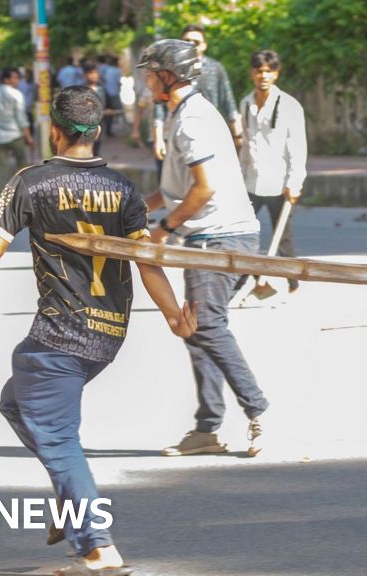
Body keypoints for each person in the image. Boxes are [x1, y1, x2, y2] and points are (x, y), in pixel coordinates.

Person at [0, 86, 197, 576]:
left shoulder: (31, 182)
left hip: (59, 336)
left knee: (57, 439)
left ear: (53, 128)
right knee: (15, 403)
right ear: (98, 130)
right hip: (108, 334)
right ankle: (69, 498)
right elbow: (147, 261)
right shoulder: (123, 189)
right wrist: (169, 315)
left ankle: (95, 545)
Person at [137, 39, 269, 457]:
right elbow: (174, 187)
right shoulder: (181, 114)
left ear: (166, 76)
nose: (144, 78)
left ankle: (259, 408)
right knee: (198, 329)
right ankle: (208, 429)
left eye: (149, 71)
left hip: (218, 237)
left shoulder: (192, 117)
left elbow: (204, 187)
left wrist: (165, 229)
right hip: (221, 233)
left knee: (207, 326)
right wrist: (135, 210)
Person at [238, 49, 307, 293]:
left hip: (280, 183)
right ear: (252, 73)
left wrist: (295, 181)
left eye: (268, 71)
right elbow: (246, 146)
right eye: (259, 71)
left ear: (276, 74)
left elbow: (297, 147)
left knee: (283, 238)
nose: (263, 76)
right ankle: (251, 280)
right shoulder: (245, 103)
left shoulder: (289, 106)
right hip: (251, 183)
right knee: (243, 234)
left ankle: (293, 284)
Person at [153, 24, 243, 164]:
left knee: (206, 182)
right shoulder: (170, 71)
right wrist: (158, 139)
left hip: (209, 136)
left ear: (204, 46)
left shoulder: (216, 69)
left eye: (196, 42)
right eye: (186, 41)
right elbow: (159, 106)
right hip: (174, 137)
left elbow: (229, 102)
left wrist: (238, 136)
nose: (191, 45)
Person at [0, 67, 34, 193]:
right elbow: (21, 118)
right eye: (15, 77)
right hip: (15, 134)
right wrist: (29, 138)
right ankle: (24, 192)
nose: (17, 80)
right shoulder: (16, 94)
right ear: (6, 79)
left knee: (1, 168)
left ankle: (1, 196)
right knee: (22, 166)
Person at [82, 63, 116, 157]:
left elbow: (109, 104)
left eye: (96, 73)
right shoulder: (81, 90)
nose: (94, 75)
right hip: (85, 125)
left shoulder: (102, 88)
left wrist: (110, 110)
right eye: (91, 73)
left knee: (97, 146)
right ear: (84, 75)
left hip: (99, 124)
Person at [98, 55, 122, 136]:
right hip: (113, 93)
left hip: (105, 92)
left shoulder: (106, 69)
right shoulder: (117, 70)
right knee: (113, 112)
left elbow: (101, 78)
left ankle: (104, 130)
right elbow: (118, 82)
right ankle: (108, 130)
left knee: (105, 112)